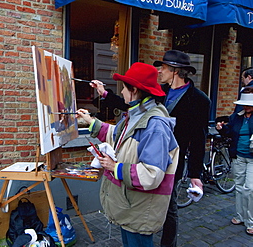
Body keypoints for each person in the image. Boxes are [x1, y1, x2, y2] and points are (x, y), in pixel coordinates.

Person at [76, 62, 179, 247]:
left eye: (124, 88)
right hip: (131, 205)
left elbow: (151, 174)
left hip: (140, 209)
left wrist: (114, 167)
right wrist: (90, 121)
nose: (122, 92)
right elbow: (117, 135)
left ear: (134, 91)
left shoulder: (155, 125)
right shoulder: (136, 115)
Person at [153, 50, 211, 247]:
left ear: (175, 71)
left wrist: (196, 174)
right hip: (150, 157)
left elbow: (198, 139)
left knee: (169, 206)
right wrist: (105, 95)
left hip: (173, 161)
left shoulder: (199, 100)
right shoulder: (158, 92)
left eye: (163, 68)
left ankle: (168, 244)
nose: (159, 71)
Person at [216, 91, 253, 236]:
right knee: (239, 186)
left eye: (250, 104)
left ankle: (251, 221)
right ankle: (240, 216)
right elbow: (229, 132)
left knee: (249, 188)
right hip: (238, 155)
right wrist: (222, 128)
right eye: (245, 104)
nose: (247, 107)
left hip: (252, 157)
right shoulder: (236, 117)